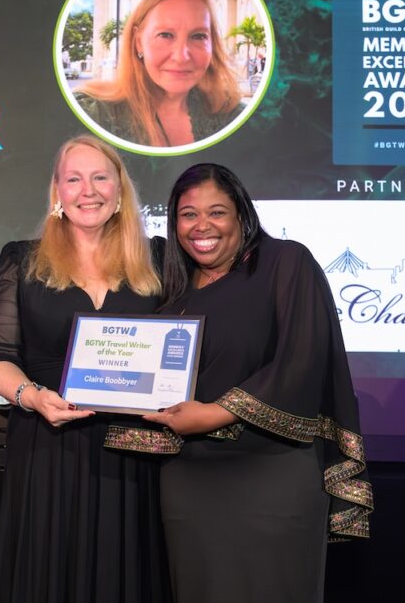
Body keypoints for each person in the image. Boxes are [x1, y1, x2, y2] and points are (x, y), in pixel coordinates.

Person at [143, 164, 372, 603]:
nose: (202, 226)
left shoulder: (286, 262)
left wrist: (214, 414)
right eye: (188, 214)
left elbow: (302, 358)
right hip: (189, 478)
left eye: (217, 212)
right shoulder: (171, 287)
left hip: (272, 470)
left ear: (241, 215)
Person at [0, 135, 169, 603]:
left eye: (100, 177)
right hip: (50, 442)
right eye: (74, 179)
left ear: (120, 190)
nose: (89, 190)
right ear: (57, 192)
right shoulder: (22, 260)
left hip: (136, 448)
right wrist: (32, 397)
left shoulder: (161, 259)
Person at [75, 0, 243, 148]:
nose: (181, 57)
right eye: (165, 35)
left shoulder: (235, 117)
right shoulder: (90, 114)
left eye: (198, 36)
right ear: (139, 42)